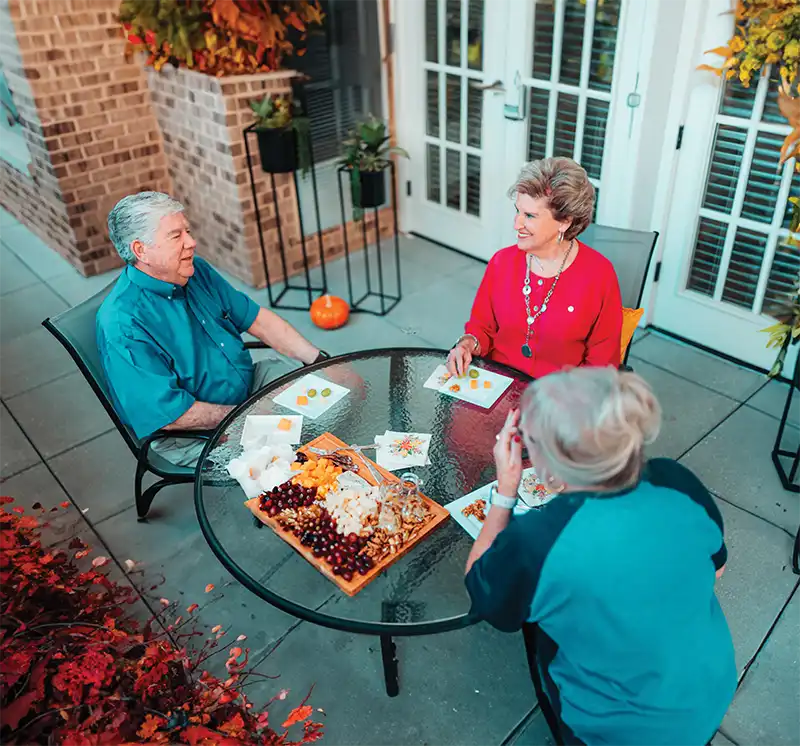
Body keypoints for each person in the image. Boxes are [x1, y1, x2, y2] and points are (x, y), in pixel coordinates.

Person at [464, 367, 736, 746]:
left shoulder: (541, 538)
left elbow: (483, 593)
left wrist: (505, 491)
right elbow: (716, 567)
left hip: (620, 728)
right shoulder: (677, 480)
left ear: (552, 463)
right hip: (710, 686)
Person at [97, 191, 329, 466]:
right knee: (294, 455)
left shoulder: (195, 271)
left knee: (326, 400)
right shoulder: (123, 324)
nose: (191, 243)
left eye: (187, 231)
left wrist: (320, 361)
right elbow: (173, 416)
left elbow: (257, 320)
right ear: (141, 250)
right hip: (194, 431)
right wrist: (247, 415)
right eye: (176, 236)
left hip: (246, 390)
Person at [448, 158, 622, 379]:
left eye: (529, 216)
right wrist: (466, 344)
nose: (516, 224)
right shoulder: (502, 263)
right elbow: (481, 327)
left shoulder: (599, 276)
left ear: (564, 222)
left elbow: (601, 365)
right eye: (518, 211)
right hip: (495, 386)